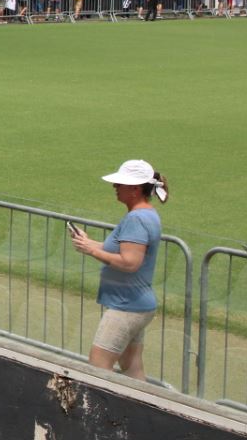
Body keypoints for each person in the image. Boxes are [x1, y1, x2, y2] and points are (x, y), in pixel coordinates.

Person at [70, 159, 169, 381]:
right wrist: (90, 243)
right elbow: (120, 250)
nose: (115, 187)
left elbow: (129, 262)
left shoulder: (136, 219)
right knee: (131, 366)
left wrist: (91, 251)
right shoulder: (146, 215)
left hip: (126, 307)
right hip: (136, 304)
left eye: (120, 184)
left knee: (98, 367)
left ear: (135, 189)